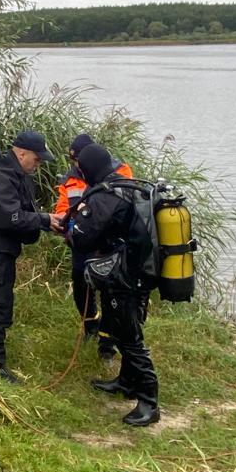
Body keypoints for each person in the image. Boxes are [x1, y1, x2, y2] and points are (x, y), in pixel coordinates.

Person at [0, 131, 64, 382]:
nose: (38, 165)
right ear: (21, 154)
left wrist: (47, 222)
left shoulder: (14, 175)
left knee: (2, 303)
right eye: (37, 160)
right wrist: (43, 219)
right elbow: (11, 218)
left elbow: (20, 213)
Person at [70, 142, 160, 426]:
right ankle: (127, 382)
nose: (78, 172)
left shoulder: (106, 196)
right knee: (122, 330)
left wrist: (71, 228)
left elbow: (84, 237)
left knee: (130, 337)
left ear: (89, 168)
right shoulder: (122, 185)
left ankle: (149, 401)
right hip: (132, 271)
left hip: (126, 275)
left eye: (80, 168)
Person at [54, 133, 134, 363]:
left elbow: (125, 204)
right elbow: (61, 208)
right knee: (81, 285)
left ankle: (107, 345)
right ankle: (90, 326)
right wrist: (65, 222)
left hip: (111, 244)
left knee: (112, 292)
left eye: (80, 160)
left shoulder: (120, 171)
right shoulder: (69, 179)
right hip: (82, 239)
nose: (77, 165)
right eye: (74, 161)